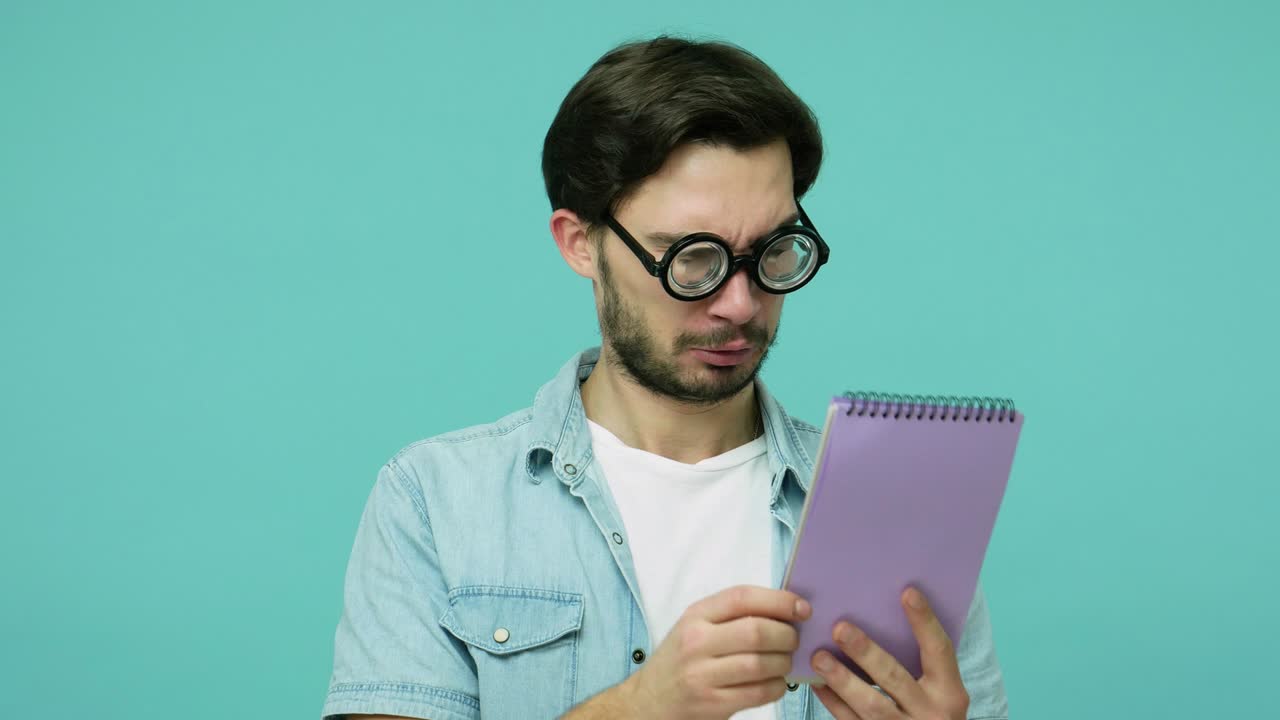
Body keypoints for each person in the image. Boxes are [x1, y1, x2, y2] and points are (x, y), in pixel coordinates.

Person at [321, 36, 1008, 720]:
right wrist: (642, 709)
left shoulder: (895, 516)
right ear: (580, 243)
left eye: (775, 251)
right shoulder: (434, 504)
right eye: (692, 259)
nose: (740, 304)